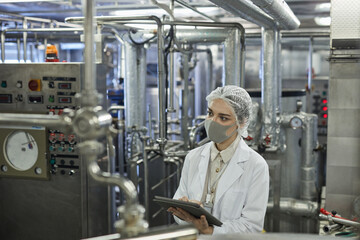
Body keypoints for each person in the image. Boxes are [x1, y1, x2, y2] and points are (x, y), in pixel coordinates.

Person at [168, 85, 269, 235]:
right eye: (210, 113)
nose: (212, 121)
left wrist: (209, 230)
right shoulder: (194, 157)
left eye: (223, 118)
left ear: (241, 123)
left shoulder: (255, 165)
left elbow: (251, 225)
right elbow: (178, 205)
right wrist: (188, 213)